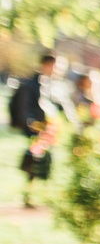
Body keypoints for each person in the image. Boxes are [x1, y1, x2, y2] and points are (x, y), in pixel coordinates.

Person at [9, 52, 62, 207]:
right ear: (46, 64)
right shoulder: (31, 84)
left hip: (47, 129)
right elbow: (24, 108)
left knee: (44, 162)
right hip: (36, 130)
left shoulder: (49, 84)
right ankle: (29, 196)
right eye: (55, 65)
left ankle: (38, 196)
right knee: (34, 161)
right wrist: (31, 124)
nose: (57, 69)